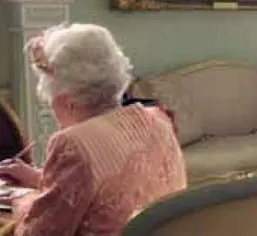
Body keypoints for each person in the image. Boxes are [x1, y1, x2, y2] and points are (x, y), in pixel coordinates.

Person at [0, 23, 187, 235]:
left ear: (68, 102)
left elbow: (39, 233)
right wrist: (38, 178)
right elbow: (113, 188)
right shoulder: (158, 119)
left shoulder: (75, 143)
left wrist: (20, 198)